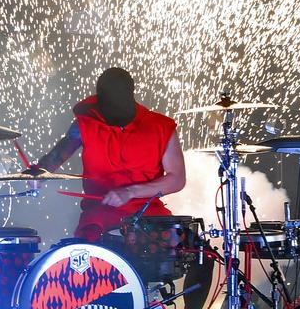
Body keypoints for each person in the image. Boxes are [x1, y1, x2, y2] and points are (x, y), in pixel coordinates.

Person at [35, 67, 211, 307]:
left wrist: (130, 192)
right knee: (84, 258)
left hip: (147, 213)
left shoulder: (161, 126)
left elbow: (176, 179)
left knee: (203, 252)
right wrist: (39, 170)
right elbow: (56, 156)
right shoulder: (84, 124)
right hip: (100, 213)